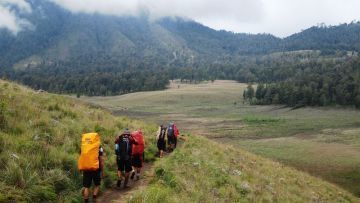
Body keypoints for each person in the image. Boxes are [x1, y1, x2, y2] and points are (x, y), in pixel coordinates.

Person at [78, 132, 104, 203]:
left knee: (86, 187)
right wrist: (102, 171)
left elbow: (81, 157)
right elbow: (101, 160)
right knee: (97, 184)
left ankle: (86, 201)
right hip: (96, 169)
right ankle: (94, 197)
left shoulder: (83, 146)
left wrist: (80, 168)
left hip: (86, 168)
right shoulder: (99, 147)